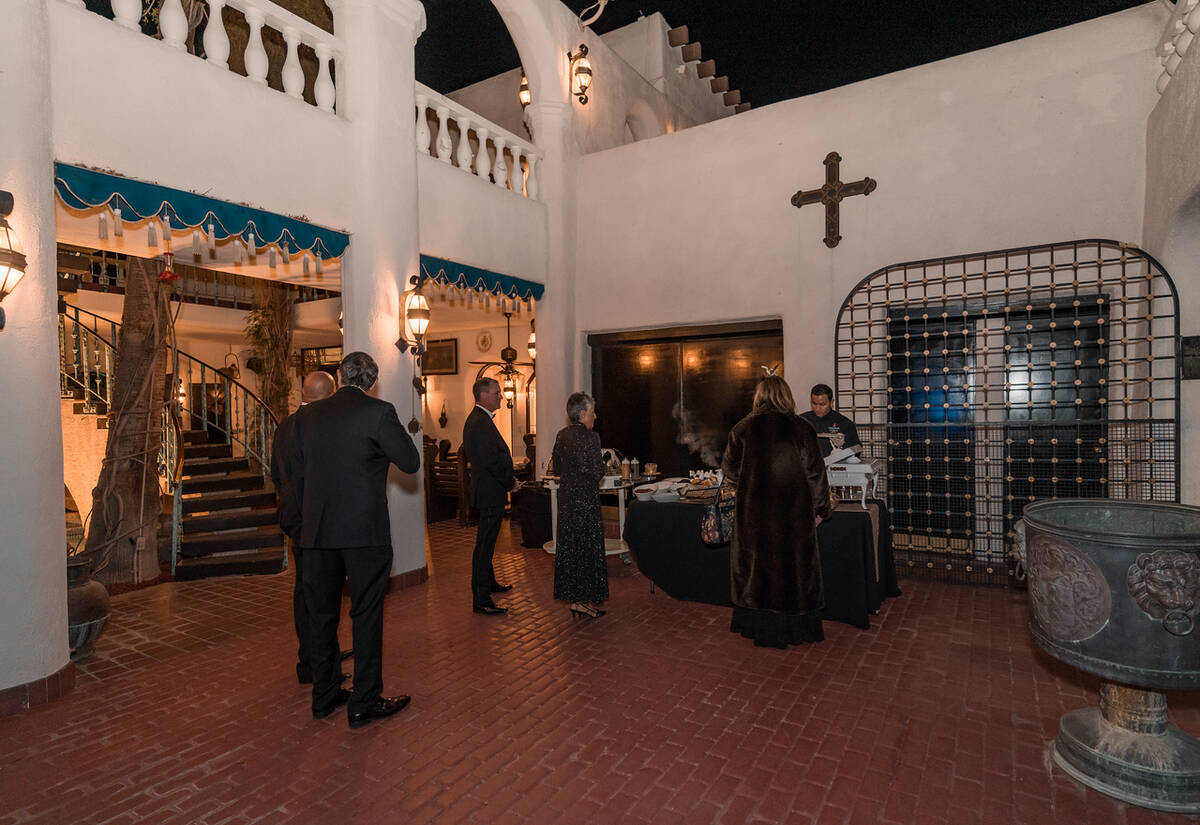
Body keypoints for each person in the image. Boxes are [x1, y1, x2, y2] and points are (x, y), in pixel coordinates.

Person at [290, 351, 421, 729]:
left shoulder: (306, 417)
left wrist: (307, 521)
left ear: (339, 375)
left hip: (315, 533)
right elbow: (410, 462)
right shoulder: (379, 413)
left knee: (322, 615)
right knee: (365, 613)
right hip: (363, 533)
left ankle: (324, 695)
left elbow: (297, 475)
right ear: (372, 382)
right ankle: (363, 701)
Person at [720, 374, 832, 648]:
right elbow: (816, 474)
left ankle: (757, 625)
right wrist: (822, 508)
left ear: (759, 397)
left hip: (754, 515)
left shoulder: (742, 428)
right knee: (794, 570)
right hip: (793, 516)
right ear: (787, 396)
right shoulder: (802, 428)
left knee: (757, 570)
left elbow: (729, 470)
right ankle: (796, 627)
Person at [270, 370, 350, 686]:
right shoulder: (323, 426)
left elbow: (277, 474)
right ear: (330, 395)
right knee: (323, 595)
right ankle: (319, 663)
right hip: (319, 521)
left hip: (294, 518)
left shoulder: (285, 426)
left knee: (305, 591)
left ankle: (313, 656)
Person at [462, 377, 518, 615]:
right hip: (489, 492)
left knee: (488, 542)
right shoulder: (480, 422)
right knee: (484, 545)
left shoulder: (481, 419)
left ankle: (490, 583)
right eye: (497, 393)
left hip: (489, 491)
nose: (501, 396)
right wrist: (510, 483)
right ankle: (481, 598)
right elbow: (491, 461)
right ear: (484, 396)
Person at [551, 392, 608, 619]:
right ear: (583, 414)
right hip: (586, 502)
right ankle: (584, 601)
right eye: (593, 412)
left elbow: (556, 469)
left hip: (566, 502)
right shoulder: (591, 438)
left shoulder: (561, 435)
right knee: (587, 551)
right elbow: (597, 472)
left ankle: (576, 601)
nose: (595, 416)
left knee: (571, 551)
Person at [799, 383, 861, 458]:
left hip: (834, 467)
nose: (817, 408)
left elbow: (857, 449)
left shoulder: (844, 423)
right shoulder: (802, 420)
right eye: (814, 404)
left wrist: (841, 448)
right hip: (808, 467)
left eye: (822, 404)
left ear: (831, 402)